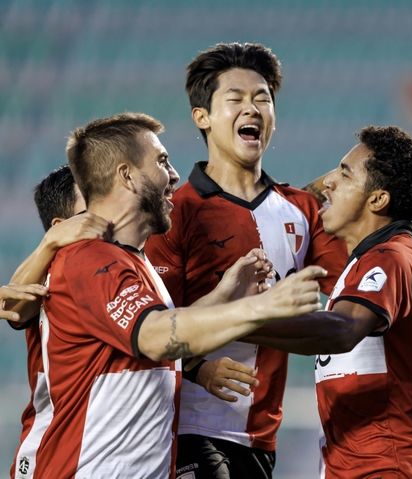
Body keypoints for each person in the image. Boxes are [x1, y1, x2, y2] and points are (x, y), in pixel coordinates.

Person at [144, 42, 412, 478]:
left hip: (262, 436)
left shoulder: (304, 212)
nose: (253, 109)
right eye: (236, 99)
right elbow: (147, 327)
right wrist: (198, 367)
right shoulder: (174, 214)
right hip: (189, 425)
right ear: (202, 116)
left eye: (262, 98)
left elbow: (356, 306)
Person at [31, 112, 325, 478]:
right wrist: (261, 306)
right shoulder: (90, 260)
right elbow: (156, 336)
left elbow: (165, 329)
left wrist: (224, 293)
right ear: (126, 175)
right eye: (161, 161)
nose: (173, 175)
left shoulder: (133, 262)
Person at [301, 126, 412, 477]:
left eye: (343, 173)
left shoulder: (391, 256)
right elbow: (301, 203)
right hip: (360, 464)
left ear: (377, 200)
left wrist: (244, 320)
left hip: (388, 465)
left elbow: (342, 330)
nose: (328, 183)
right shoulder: (367, 262)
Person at [5, 165, 111, 479]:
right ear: (59, 226)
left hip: (102, 454)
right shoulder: (54, 272)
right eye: (92, 210)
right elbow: (12, 307)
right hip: (49, 453)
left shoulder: (120, 267)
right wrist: (51, 244)